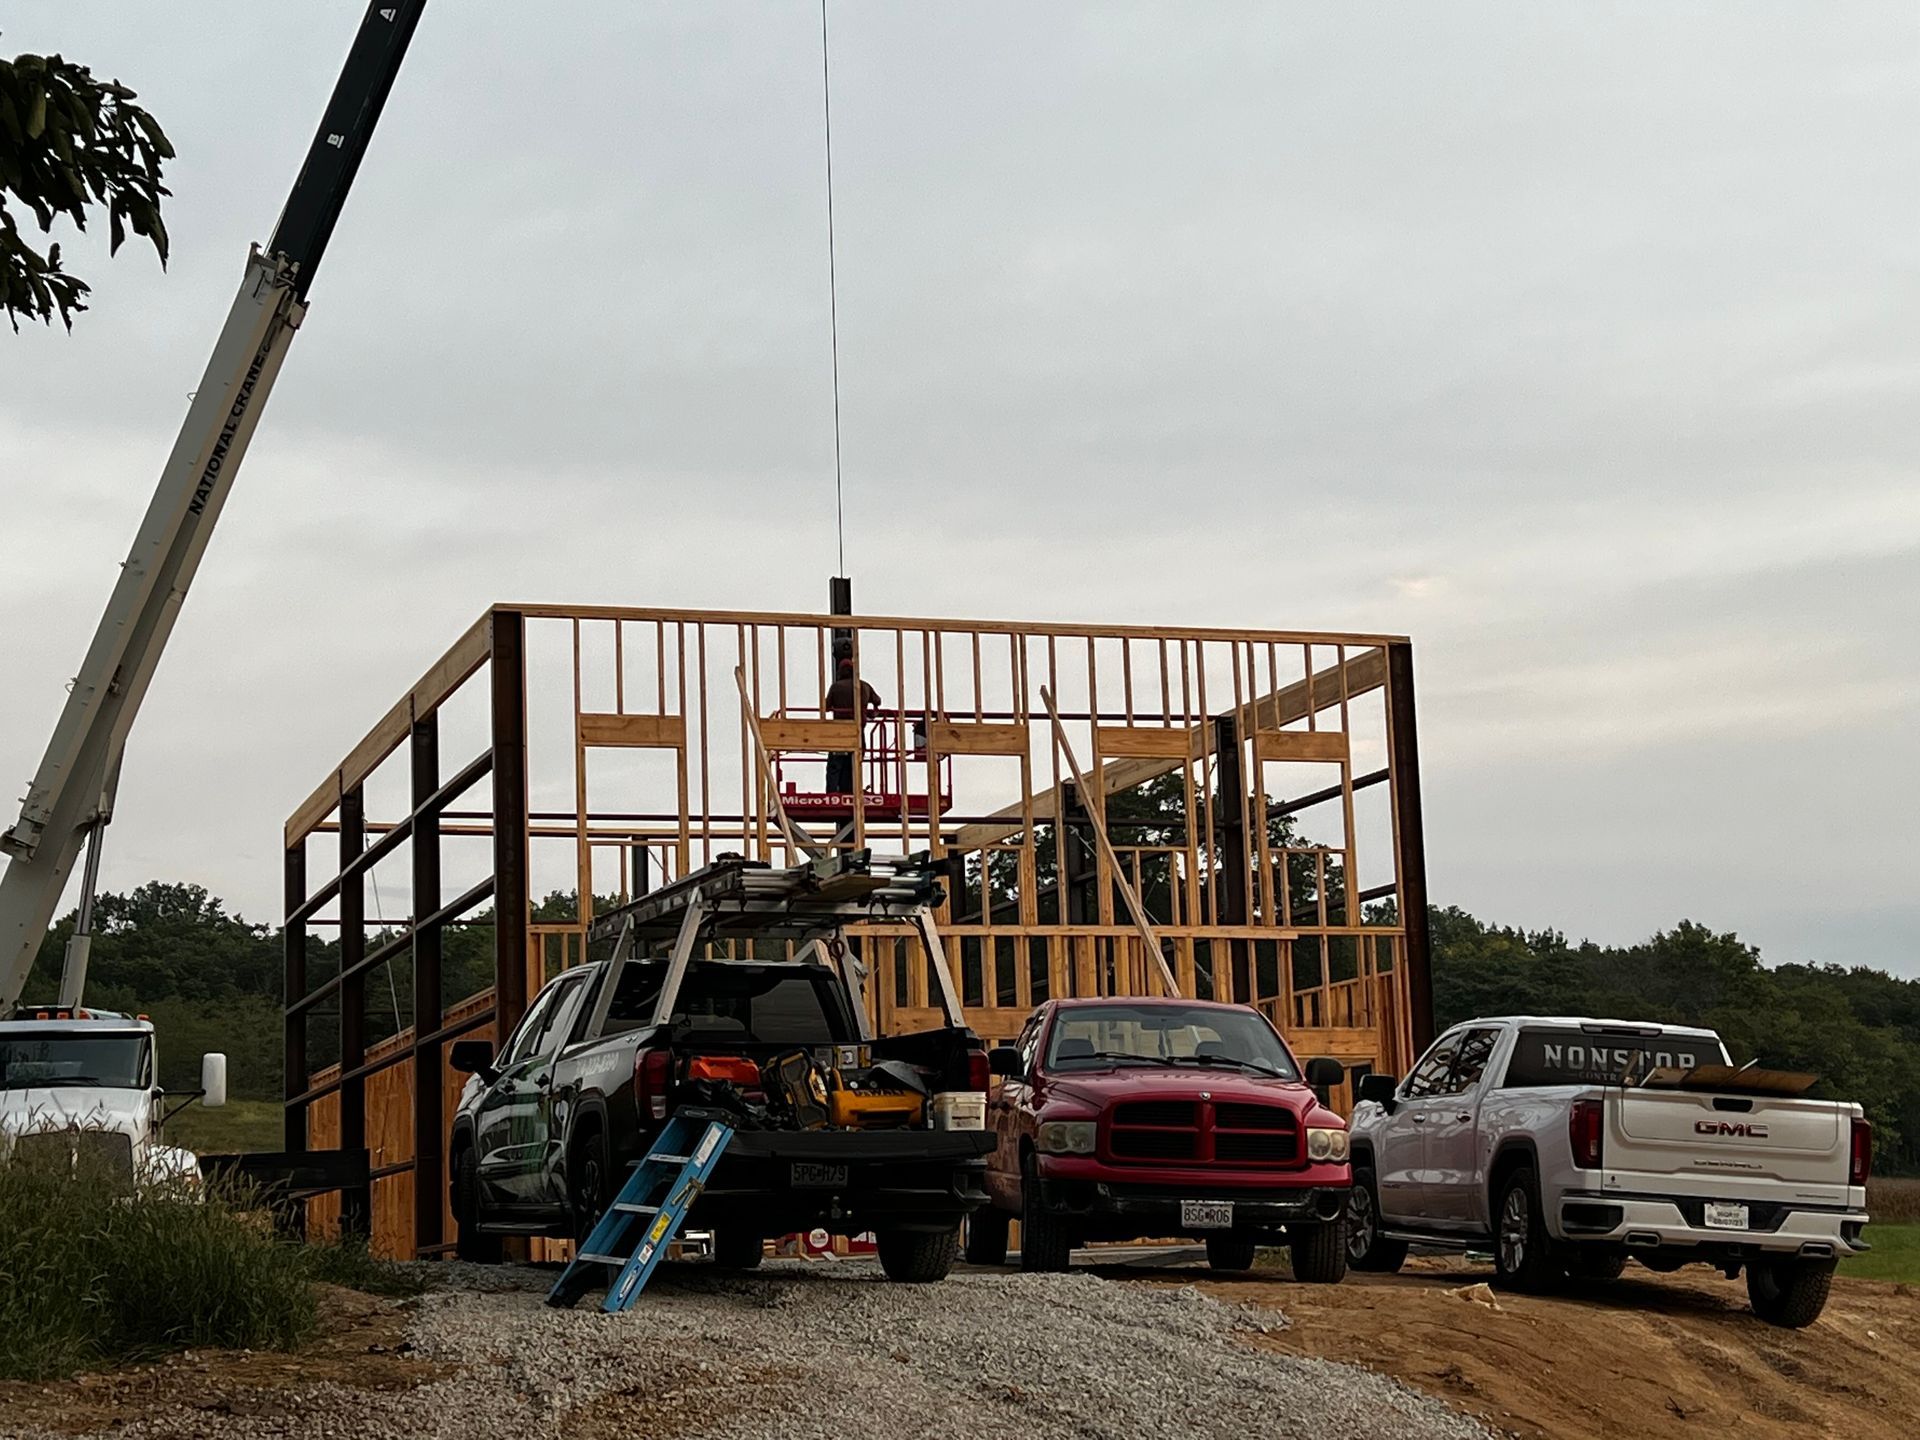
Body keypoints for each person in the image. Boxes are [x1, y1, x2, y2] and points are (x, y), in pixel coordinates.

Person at [823, 656, 880, 795]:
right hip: (858, 732)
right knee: (853, 763)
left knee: (835, 765)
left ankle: (832, 793)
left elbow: (825, 706)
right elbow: (877, 700)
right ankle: (850, 791)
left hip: (840, 733)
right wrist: (872, 712)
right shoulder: (864, 685)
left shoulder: (836, 687)